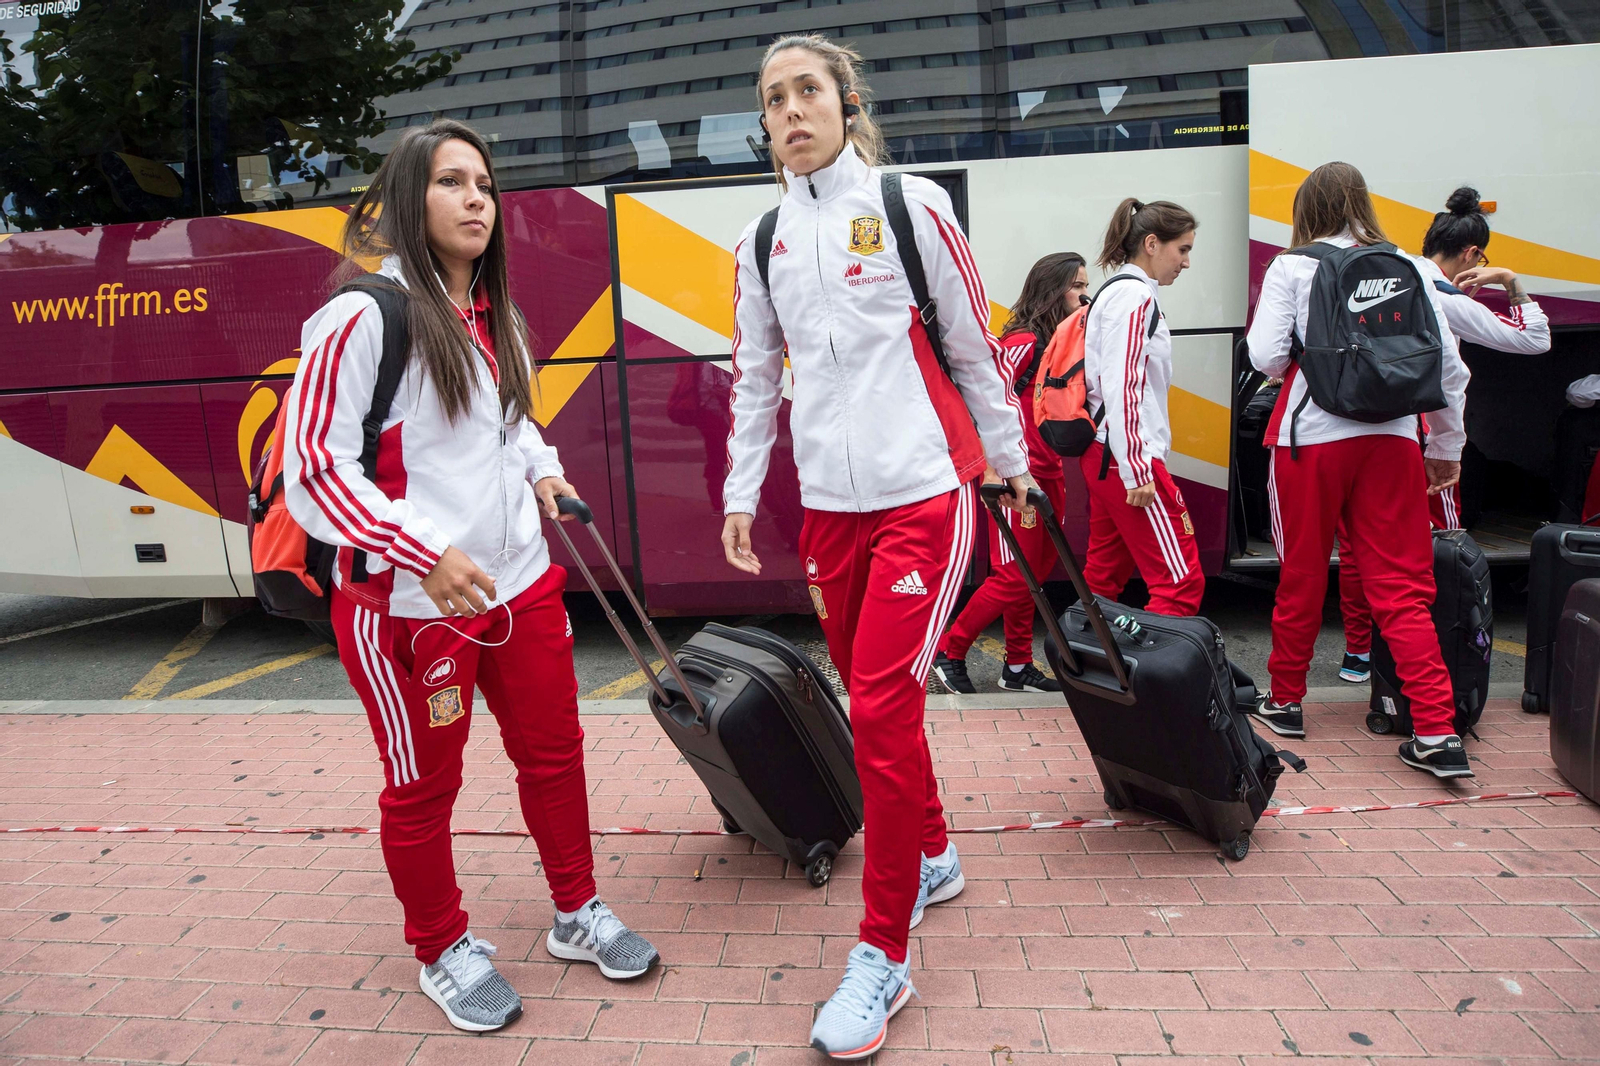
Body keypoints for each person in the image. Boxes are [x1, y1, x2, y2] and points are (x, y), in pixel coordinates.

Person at [282, 120, 658, 1034]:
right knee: (422, 787)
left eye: (484, 184)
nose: (476, 199)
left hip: (518, 583)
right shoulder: (364, 316)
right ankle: (442, 946)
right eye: (452, 183)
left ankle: (578, 911)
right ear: (411, 201)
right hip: (406, 605)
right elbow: (317, 470)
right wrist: (425, 551)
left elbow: (512, 422)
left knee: (554, 754)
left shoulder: (496, 315)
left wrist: (543, 470)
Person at [719, 34, 1034, 1060]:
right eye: (774, 98)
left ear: (845, 103)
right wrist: (737, 491)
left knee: (881, 709)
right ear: (763, 122)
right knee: (869, 699)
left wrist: (1007, 456)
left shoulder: (909, 205)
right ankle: (933, 852)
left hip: (919, 497)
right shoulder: (760, 236)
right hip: (827, 511)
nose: (791, 109)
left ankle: (882, 953)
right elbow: (758, 380)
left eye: (807, 89)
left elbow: (972, 347)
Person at [1246, 161, 1473, 779]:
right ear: (1364, 204)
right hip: (1395, 438)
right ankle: (1436, 730)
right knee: (1402, 587)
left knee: (1301, 572)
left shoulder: (1293, 265)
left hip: (1312, 437)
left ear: (1306, 209)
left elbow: (1265, 355)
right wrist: (1446, 446)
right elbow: (1450, 370)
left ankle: (1286, 702)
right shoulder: (1413, 267)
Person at [1334, 186, 1550, 684]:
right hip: (1421, 440)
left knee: (1357, 548)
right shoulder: (1441, 292)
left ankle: (1358, 655)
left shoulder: (1388, 272)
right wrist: (1509, 279)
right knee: (1436, 548)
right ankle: (1434, 653)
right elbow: (1533, 340)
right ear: (1473, 254)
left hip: (1359, 429)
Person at [934, 253, 1090, 695]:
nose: (1085, 293)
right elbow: (979, 399)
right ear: (1054, 289)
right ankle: (950, 649)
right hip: (1014, 479)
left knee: (1034, 574)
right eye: (1077, 285)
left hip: (1047, 474)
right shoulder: (1023, 340)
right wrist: (991, 470)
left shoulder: (1059, 340)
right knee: (1016, 575)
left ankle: (1018, 666)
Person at [1079, 199, 1205, 616]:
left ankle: (1093, 672)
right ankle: (1161, 682)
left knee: (1103, 577)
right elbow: (1123, 384)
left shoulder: (1119, 293)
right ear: (1152, 243)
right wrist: (1137, 467)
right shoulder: (1134, 297)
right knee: (1180, 582)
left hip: (1106, 454)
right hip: (1126, 459)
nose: (1186, 262)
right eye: (1182, 249)